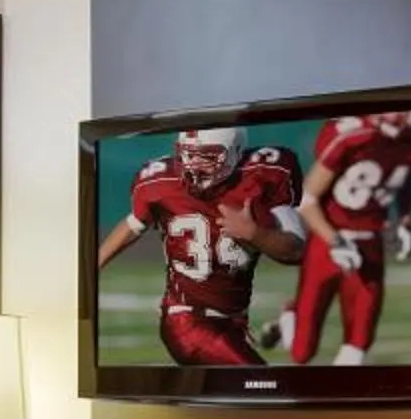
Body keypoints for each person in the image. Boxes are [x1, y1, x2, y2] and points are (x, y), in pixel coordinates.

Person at [95, 125, 306, 365]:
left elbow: (296, 250)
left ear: (234, 153)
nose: (193, 164)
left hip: (232, 322)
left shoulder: (264, 175)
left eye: (206, 156)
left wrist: (254, 233)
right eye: (187, 154)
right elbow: (134, 223)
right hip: (186, 322)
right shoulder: (161, 181)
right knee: (261, 386)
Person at [272, 110, 411, 364]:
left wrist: (405, 219)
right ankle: (290, 314)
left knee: (357, 346)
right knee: (301, 353)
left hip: (371, 242)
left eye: (407, 109)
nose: (400, 116)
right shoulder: (351, 137)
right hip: (328, 243)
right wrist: (335, 241)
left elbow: (403, 172)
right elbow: (307, 200)